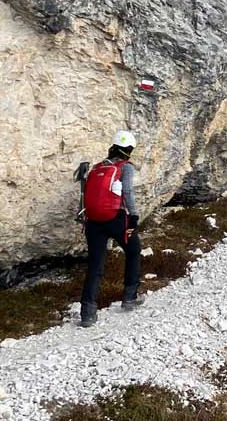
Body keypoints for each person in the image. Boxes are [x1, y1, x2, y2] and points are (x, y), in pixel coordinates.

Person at [79, 130, 142, 327]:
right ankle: (130, 297)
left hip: (93, 221)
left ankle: (87, 313)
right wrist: (133, 216)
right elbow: (128, 192)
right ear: (129, 150)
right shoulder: (125, 167)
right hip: (116, 219)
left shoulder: (96, 168)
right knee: (133, 250)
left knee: (95, 265)